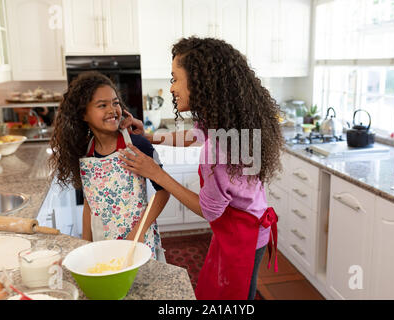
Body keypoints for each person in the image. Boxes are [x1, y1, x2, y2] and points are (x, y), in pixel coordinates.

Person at [119, 37, 283, 299]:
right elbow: (192, 136)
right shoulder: (225, 120)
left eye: (174, 78)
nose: (171, 88)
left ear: (198, 82)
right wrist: (149, 135)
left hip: (244, 235)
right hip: (244, 225)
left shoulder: (219, 149)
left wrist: (156, 173)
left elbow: (209, 211)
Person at [49, 71, 169, 261]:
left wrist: (136, 236)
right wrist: (85, 245)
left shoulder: (137, 144)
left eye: (115, 103)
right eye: (102, 105)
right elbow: (90, 202)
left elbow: (163, 192)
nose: (112, 110)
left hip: (138, 240)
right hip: (103, 241)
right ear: (83, 114)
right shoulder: (85, 152)